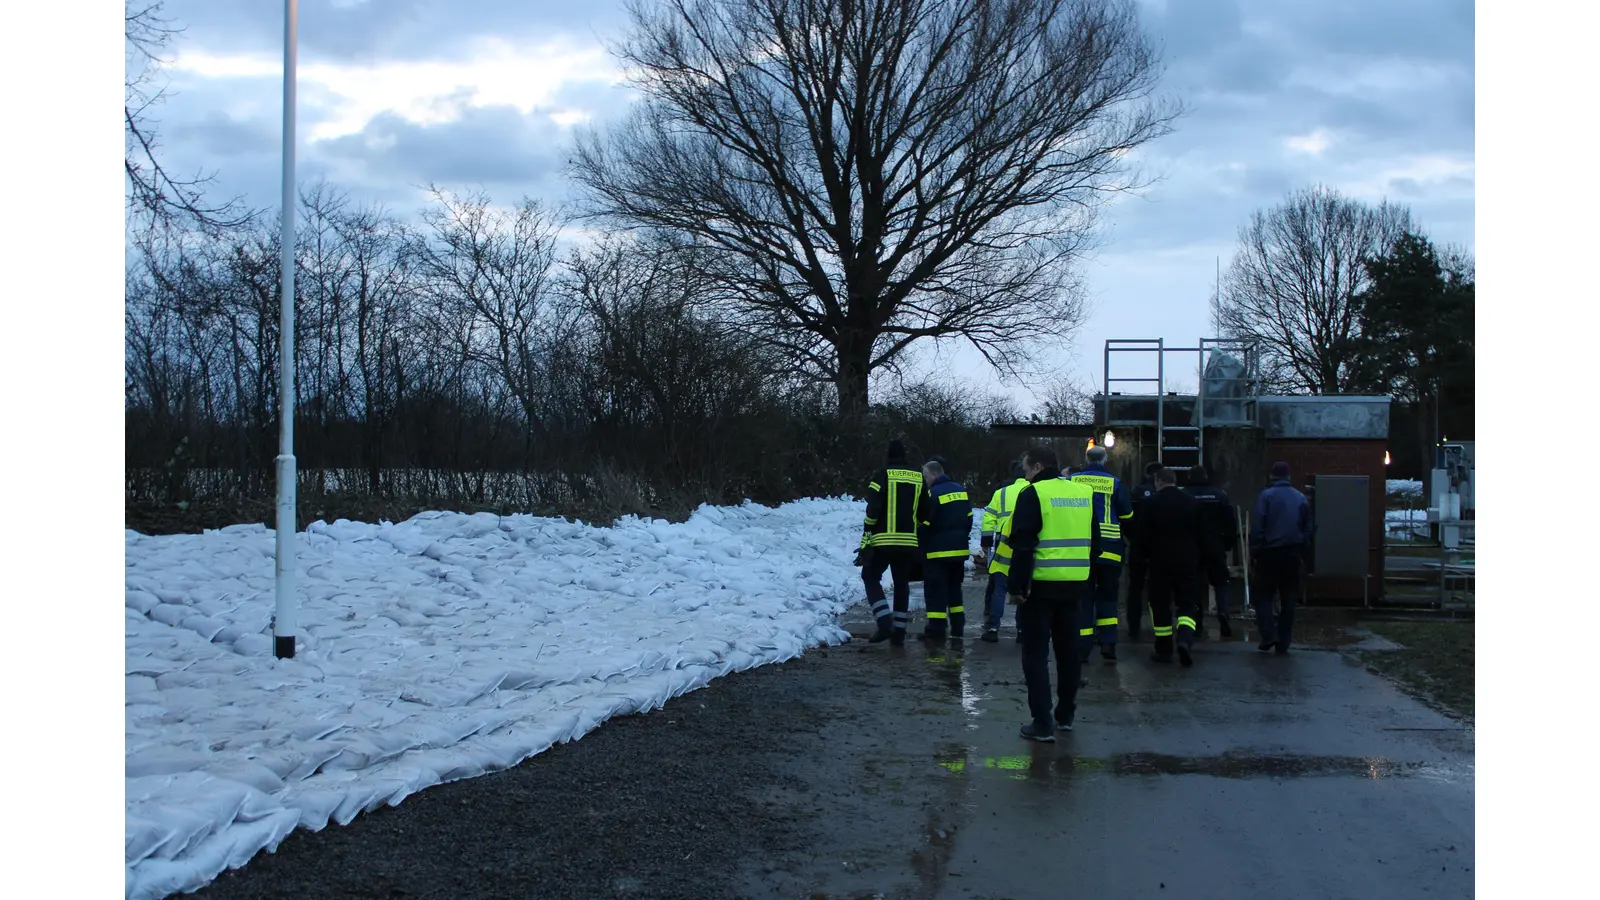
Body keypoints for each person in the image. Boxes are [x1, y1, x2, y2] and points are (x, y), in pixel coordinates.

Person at [1004, 446, 1100, 742]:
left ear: (1037, 466)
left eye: (1025, 467)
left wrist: (1016, 588)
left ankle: (1042, 722)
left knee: (1035, 654)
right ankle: (1065, 715)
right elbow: (1093, 542)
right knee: (1068, 653)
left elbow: (1022, 543)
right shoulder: (1083, 494)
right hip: (1074, 585)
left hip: (1041, 586)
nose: (1024, 473)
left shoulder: (1033, 494)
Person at [1137, 467, 1214, 667]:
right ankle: (1185, 639)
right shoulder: (1192, 503)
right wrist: (1203, 560)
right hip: (1187, 562)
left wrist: (1143, 559)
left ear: (1158, 482)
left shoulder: (1151, 504)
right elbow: (1203, 536)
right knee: (1187, 604)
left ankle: (1164, 649)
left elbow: (1142, 537)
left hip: (1160, 562)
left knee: (1160, 605)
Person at [856, 439, 923, 646]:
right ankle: (900, 632)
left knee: (870, 576)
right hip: (909, 543)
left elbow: (873, 509)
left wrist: (868, 530)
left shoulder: (881, 475)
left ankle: (885, 622)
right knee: (902, 583)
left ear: (888, 456)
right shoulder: (918, 477)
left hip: (883, 541)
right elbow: (926, 511)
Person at [1070, 445, 1133, 662]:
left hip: (1082, 549)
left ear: (1086, 459)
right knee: (1108, 597)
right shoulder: (1115, 483)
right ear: (1105, 460)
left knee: (1083, 599)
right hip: (1110, 550)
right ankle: (1108, 643)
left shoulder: (1073, 481)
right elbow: (1127, 516)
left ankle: (1082, 647)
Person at [1251, 461, 1314, 655]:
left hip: (1269, 553)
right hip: (1292, 554)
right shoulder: (1300, 498)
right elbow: (1308, 526)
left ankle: (1268, 634)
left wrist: (1257, 548)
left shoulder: (1266, 496)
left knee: (1263, 596)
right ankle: (1284, 641)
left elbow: (1258, 524)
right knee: (1288, 599)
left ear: (1272, 476)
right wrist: (1303, 545)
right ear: (1289, 477)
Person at [917, 458, 973, 643]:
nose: (925, 481)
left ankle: (936, 629)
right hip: (958, 552)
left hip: (937, 553)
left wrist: (921, 542)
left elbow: (925, 523)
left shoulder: (932, 494)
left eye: (926, 477)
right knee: (955, 590)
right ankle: (958, 626)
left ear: (935, 473)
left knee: (935, 592)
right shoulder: (961, 491)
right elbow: (969, 518)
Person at [976, 462, 1030, 642]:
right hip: (1028, 543)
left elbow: (988, 518)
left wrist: (985, 543)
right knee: (1024, 588)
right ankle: (1022, 631)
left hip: (1004, 543)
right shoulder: (1036, 490)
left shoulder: (1001, 493)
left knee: (1000, 587)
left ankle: (992, 628)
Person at [1183, 466, 1238, 639]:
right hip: (1215, 545)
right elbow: (1230, 523)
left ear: (1189, 477)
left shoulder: (1184, 495)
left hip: (1192, 546)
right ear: (1206, 476)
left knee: (1195, 584)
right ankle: (1223, 612)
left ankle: (1197, 621)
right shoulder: (1219, 495)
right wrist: (1228, 544)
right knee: (1221, 582)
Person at [1125, 460, 1162, 640]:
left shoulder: (1136, 493)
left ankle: (1134, 627)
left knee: (1135, 589)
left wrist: (1134, 539)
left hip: (1138, 548)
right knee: (1160, 590)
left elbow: (1127, 519)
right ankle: (1160, 626)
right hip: (1161, 549)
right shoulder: (1164, 495)